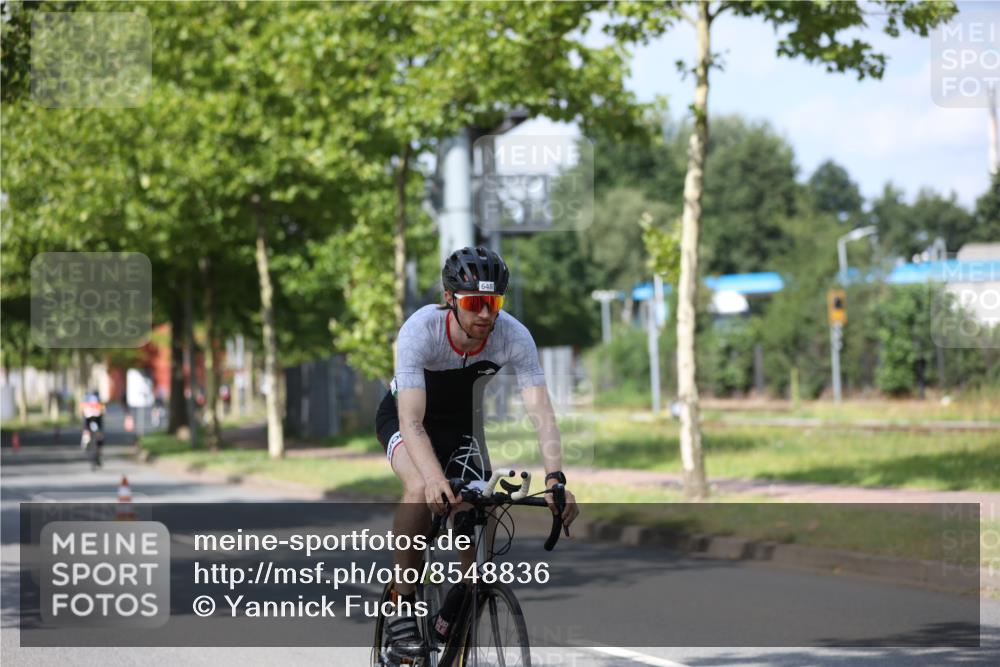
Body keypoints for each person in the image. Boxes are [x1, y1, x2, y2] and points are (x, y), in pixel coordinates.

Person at [375, 245, 579, 660]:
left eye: (494, 303)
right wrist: (433, 478)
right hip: (407, 419)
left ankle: (453, 613)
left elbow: (540, 409)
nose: (486, 314)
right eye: (475, 303)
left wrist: (556, 478)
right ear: (450, 300)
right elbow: (412, 422)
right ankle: (401, 600)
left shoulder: (513, 334)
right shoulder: (421, 331)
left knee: (479, 511)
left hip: (462, 429)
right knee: (418, 486)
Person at [80, 390, 105, 469]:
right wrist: (85, 431)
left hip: (97, 422)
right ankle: (85, 442)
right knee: (87, 436)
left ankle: (98, 454)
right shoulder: (86, 404)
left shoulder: (99, 405)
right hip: (88, 422)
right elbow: (84, 420)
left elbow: (101, 419)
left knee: (100, 438)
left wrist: (100, 432)